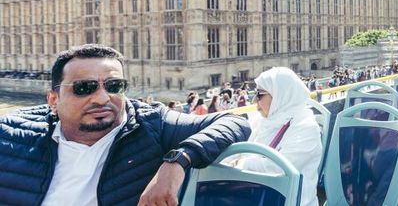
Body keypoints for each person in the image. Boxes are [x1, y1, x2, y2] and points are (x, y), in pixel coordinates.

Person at [0, 44, 250, 206]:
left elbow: (234, 122)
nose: (101, 98)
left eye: (114, 86)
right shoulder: (11, 131)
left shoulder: (151, 124)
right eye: (84, 88)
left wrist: (177, 161)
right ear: (53, 100)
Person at [239, 67, 322, 206]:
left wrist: (240, 163)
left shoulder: (306, 128)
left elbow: (278, 168)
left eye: (259, 94)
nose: (254, 101)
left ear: (280, 95)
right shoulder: (264, 121)